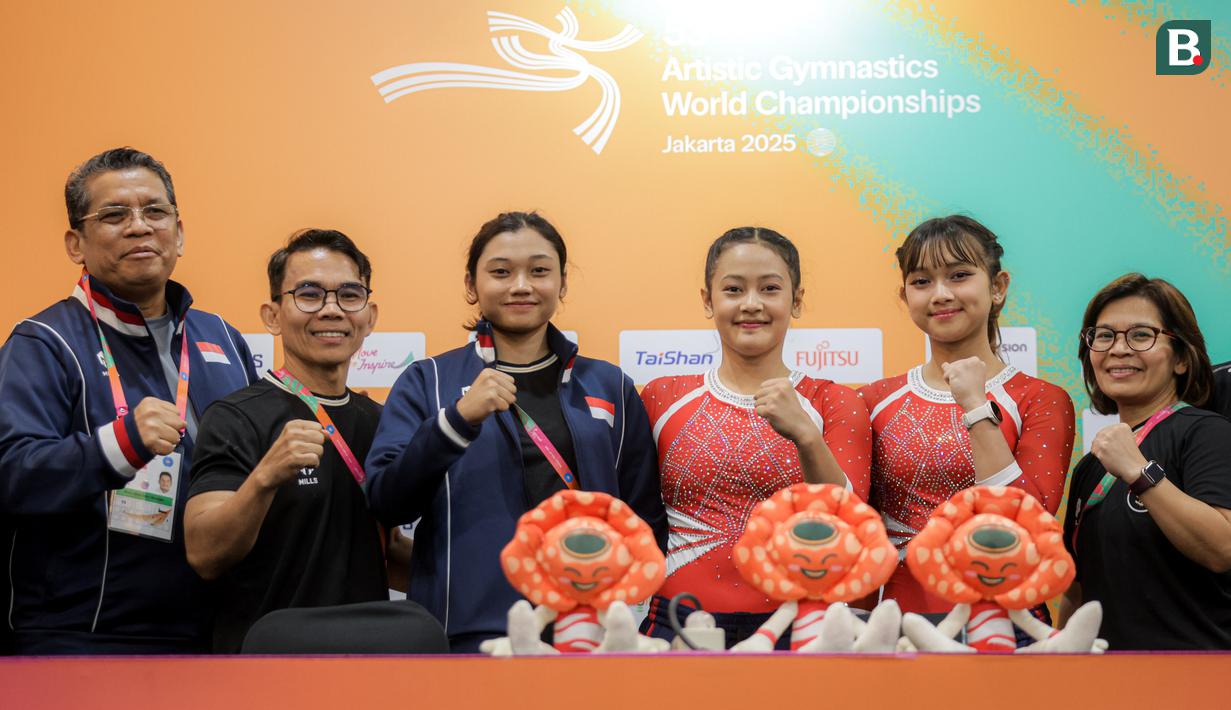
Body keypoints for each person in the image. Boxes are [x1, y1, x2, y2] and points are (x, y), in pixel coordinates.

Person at [365, 211, 667, 653]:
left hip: (585, 633)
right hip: (466, 633)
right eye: (501, 272)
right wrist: (456, 421)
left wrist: (613, 599)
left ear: (562, 283)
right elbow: (387, 500)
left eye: (539, 271)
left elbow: (644, 519)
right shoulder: (428, 381)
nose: (521, 285)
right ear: (472, 285)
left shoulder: (608, 385)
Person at [0, 147, 256, 654]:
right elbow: (12, 471)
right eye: (115, 215)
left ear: (179, 233)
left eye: (155, 211)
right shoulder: (44, 343)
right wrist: (118, 445)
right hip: (81, 637)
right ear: (76, 243)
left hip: (218, 632)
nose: (140, 227)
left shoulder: (223, 338)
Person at [639, 227, 873, 648]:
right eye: (733, 289)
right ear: (707, 300)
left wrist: (806, 435)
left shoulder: (835, 401)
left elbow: (849, 524)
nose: (751, 304)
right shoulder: (662, 396)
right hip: (680, 621)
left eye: (769, 289)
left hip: (802, 625)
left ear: (796, 300)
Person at [184, 229, 409, 652]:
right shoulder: (235, 417)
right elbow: (204, 554)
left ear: (370, 316)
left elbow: (389, 548)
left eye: (349, 295)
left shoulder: (382, 421)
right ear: (272, 315)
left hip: (366, 655)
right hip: (269, 658)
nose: (331, 310)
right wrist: (265, 477)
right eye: (309, 295)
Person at [858, 215, 1074, 615]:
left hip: (1007, 624)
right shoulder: (873, 400)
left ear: (997, 287)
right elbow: (851, 526)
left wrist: (975, 406)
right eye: (922, 281)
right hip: (897, 623)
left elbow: (1027, 524)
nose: (940, 294)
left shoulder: (1041, 399)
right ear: (905, 297)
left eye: (959, 275)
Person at [1060, 274, 1231, 650]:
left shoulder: (1207, 433)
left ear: (1182, 358)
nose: (1119, 349)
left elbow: (1223, 548)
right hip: (1108, 676)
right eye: (1104, 336)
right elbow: (1077, 593)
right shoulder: (1090, 468)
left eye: (1141, 335)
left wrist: (1140, 472)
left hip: (1197, 673)